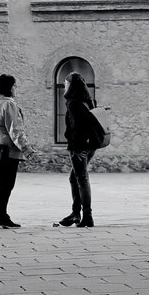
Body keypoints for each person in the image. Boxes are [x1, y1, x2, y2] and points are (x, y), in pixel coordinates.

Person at [0, 74, 30, 229]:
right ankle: (1, 218)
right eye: (14, 85)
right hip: (5, 148)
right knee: (6, 184)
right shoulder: (8, 104)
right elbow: (15, 129)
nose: (16, 89)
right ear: (8, 87)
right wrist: (26, 148)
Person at [57, 71, 103, 228]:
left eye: (65, 83)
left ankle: (87, 216)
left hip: (79, 147)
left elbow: (75, 127)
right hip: (91, 146)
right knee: (75, 177)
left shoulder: (73, 103)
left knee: (81, 179)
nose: (64, 86)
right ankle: (76, 213)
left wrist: (73, 145)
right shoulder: (89, 101)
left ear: (70, 85)